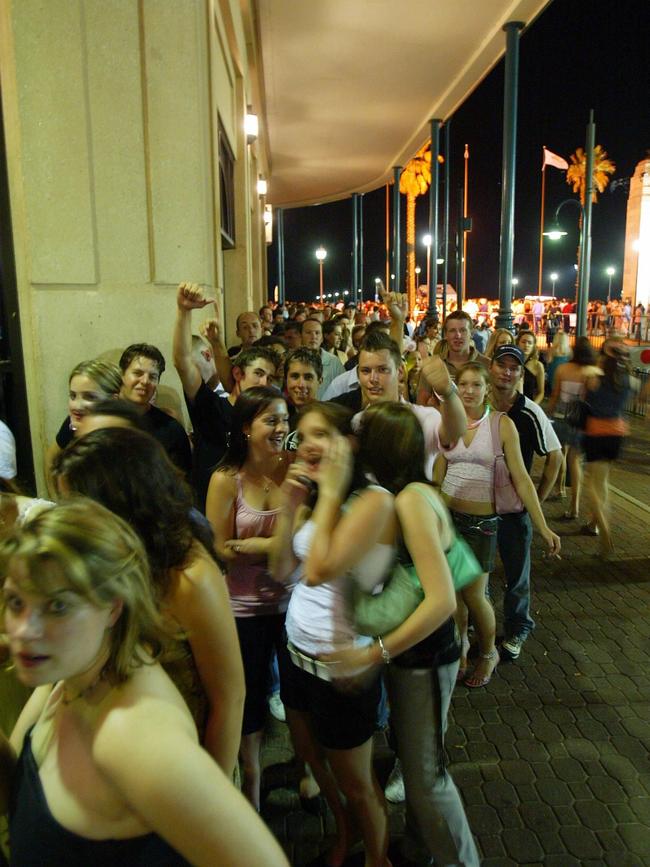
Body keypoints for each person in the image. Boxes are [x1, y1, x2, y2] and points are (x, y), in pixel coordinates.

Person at [0, 500, 289, 867]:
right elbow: (18, 793)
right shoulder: (67, 676)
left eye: (57, 607)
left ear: (113, 608)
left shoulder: (135, 738)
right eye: (15, 601)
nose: (24, 631)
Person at [310, 402, 480, 867]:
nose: (352, 443)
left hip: (424, 659)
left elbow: (443, 600)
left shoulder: (409, 502)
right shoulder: (406, 492)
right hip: (416, 657)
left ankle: (460, 861)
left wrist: (375, 654)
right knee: (417, 759)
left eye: (361, 435)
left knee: (426, 775)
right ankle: (423, 846)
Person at [52, 428, 245, 778]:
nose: (69, 520)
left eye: (76, 506)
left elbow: (229, 700)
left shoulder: (190, 576)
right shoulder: (100, 560)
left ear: (120, 503)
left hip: (181, 766)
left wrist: (209, 791)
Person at [270, 401, 392, 867]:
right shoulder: (317, 497)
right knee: (312, 758)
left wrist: (330, 491)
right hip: (296, 650)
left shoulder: (372, 501)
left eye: (321, 433)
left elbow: (318, 570)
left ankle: (377, 857)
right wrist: (287, 510)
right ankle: (344, 836)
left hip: (342, 663)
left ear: (350, 443)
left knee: (357, 782)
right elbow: (284, 571)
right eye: (303, 436)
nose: (308, 445)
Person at [434, 361, 560, 686]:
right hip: (448, 521)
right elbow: (437, 474)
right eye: (463, 385)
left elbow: (521, 478)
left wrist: (543, 526)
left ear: (486, 389)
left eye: (476, 385)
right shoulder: (447, 423)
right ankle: (461, 647)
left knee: (475, 595)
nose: (469, 391)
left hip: (482, 525)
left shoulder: (501, 424)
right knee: (454, 596)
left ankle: (488, 653)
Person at [205, 387, 291, 809]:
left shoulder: (294, 470)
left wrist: (254, 547)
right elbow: (218, 547)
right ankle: (252, 782)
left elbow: (311, 538)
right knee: (251, 699)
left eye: (284, 420)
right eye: (270, 420)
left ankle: (307, 771)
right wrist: (280, 546)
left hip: (294, 605)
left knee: (300, 699)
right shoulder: (226, 479)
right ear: (245, 426)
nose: (280, 429)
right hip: (243, 609)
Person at [172, 283, 279, 509]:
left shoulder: (268, 419)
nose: (264, 383)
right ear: (238, 374)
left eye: (270, 378)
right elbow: (182, 363)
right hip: (209, 515)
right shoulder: (211, 407)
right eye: (258, 374)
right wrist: (184, 312)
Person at [488, 345, 562, 661]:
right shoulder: (476, 404)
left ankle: (517, 628)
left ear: (520, 373)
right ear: (490, 367)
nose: (507, 371)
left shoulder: (529, 411)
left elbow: (555, 457)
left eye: (513, 367)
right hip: (477, 509)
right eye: (501, 365)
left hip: (513, 512)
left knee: (516, 577)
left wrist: (536, 503)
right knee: (477, 576)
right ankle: (483, 628)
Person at [581, 338, 638, 555]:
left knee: (592, 486)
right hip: (617, 433)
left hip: (596, 432)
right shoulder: (631, 380)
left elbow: (584, 400)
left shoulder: (593, 378)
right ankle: (595, 523)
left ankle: (604, 532)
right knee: (602, 482)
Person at [44, 359, 123, 493]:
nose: (76, 406)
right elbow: (50, 458)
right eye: (73, 396)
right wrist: (57, 499)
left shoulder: (125, 442)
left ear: (113, 401)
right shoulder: (72, 425)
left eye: (90, 397)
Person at [547, 337, 601, 520]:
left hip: (562, 418)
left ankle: (559, 488)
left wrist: (549, 414)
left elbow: (555, 395)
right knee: (575, 461)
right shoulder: (593, 372)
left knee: (559, 453)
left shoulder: (563, 369)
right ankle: (575, 504)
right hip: (581, 422)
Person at [118, 343, 192, 477]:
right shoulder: (100, 421)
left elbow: (183, 483)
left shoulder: (172, 430)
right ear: (122, 375)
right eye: (137, 373)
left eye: (152, 377)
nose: (145, 381)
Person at [516, 330, 545, 404]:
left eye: (530, 343)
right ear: (518, 343)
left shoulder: (537, 366)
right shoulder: (513, 362)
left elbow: (541, 392)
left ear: (533, 346)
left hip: (529, 403)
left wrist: (533, 406)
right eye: (523, 342)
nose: (526, 345)